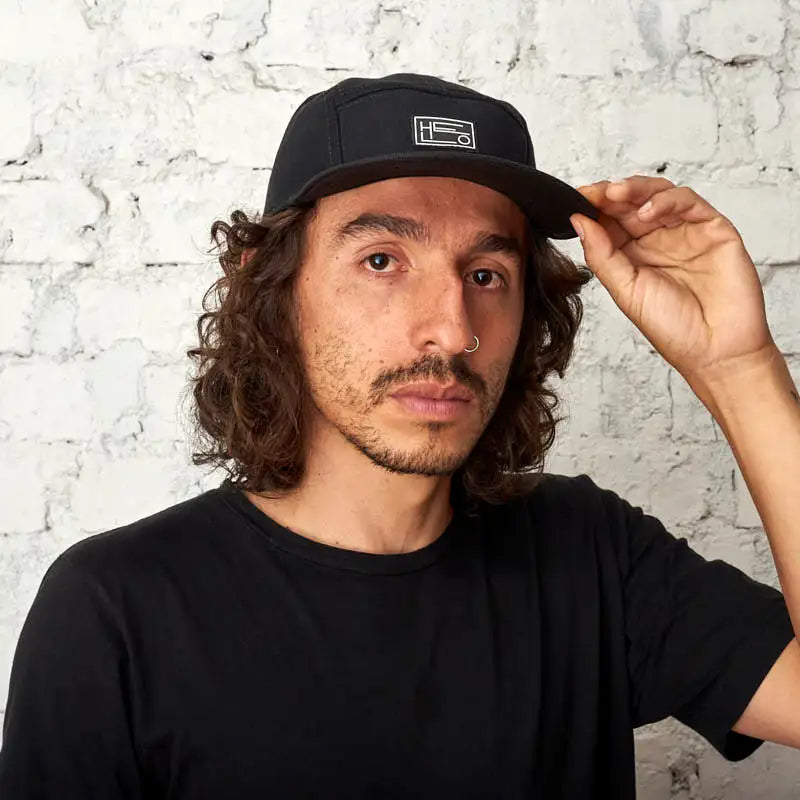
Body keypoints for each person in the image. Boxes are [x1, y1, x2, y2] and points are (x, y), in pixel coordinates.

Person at [1, 72, 798, 799]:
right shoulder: (115, 610)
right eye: (382, 261)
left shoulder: (589, 553)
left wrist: (737, 367)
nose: (451, 330)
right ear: (268, 285)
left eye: (486, 275)